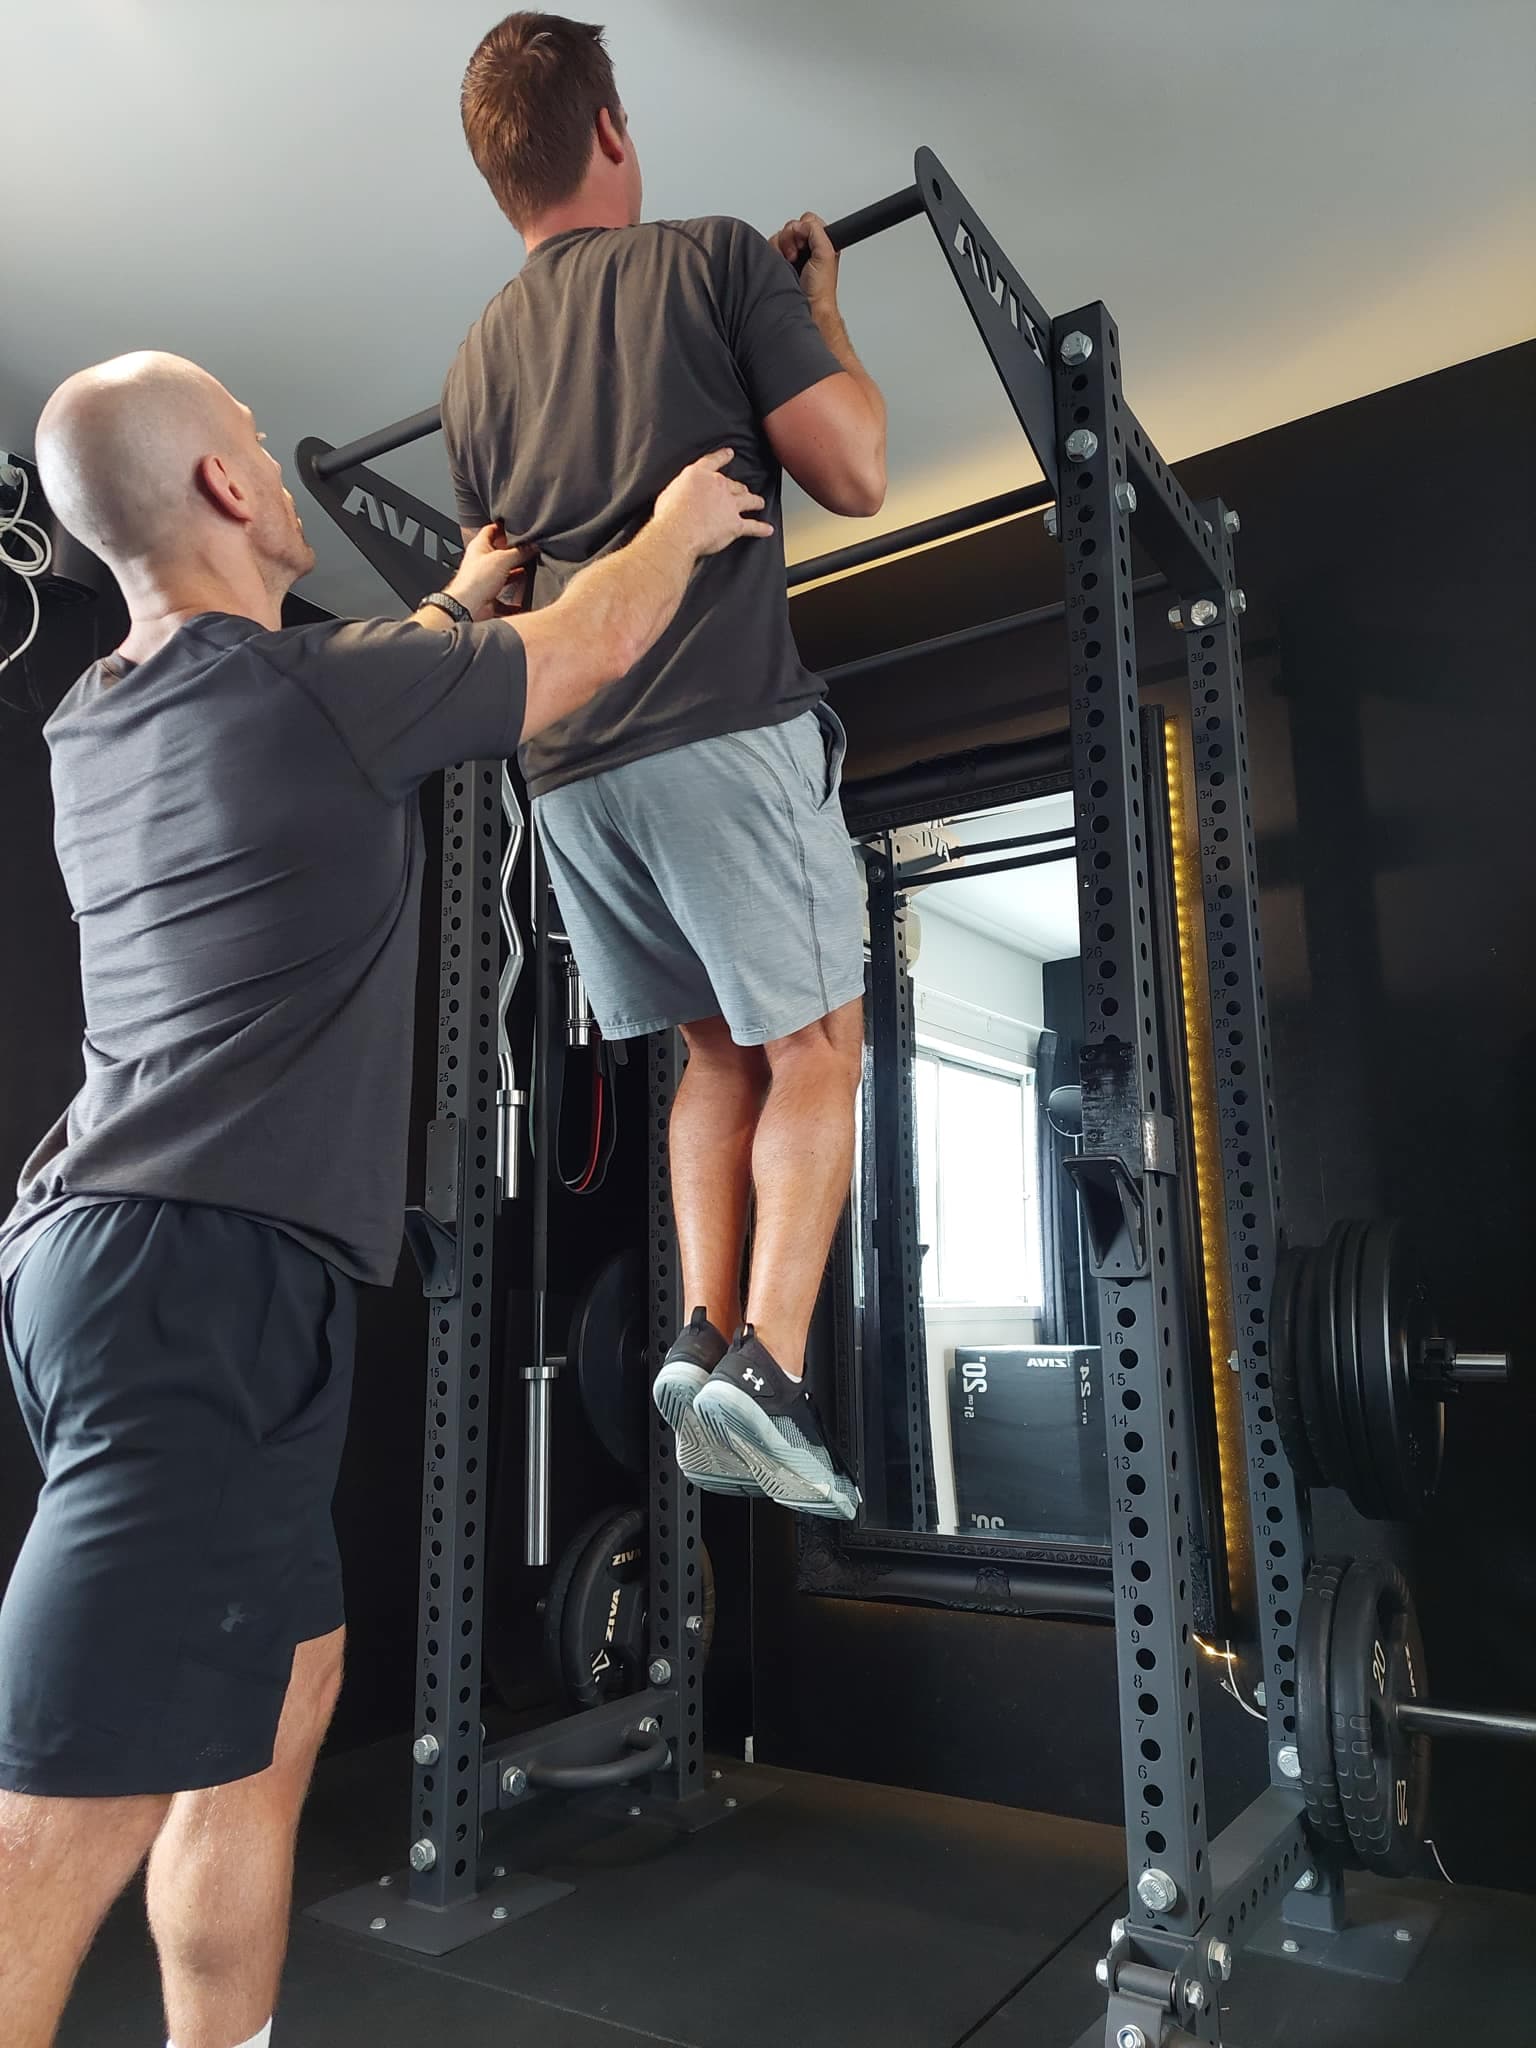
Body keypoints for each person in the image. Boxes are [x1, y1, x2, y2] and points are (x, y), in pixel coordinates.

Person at [0, 348, 770, 2048]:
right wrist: (680, 522)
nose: (277, 473)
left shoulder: (104, 720)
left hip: (156, 1268)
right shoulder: (312, 695)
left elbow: (349, 692)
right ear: (220, 489)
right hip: (191, 1276)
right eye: (259, 450)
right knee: (74, 1792)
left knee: (273, 1720)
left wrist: (448, 604)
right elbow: (584, 649)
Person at [445, 13, 889, 1520]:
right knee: (818, 1046)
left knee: (716, 1050)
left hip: (568, 777)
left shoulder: (473, 371)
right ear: (613, 132)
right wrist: (818, 312)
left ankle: (702, 1341)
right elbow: (855, 469)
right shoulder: (712, 259)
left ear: (502, 177)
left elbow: (495, 573)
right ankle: (772, 1361)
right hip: (716, 727)